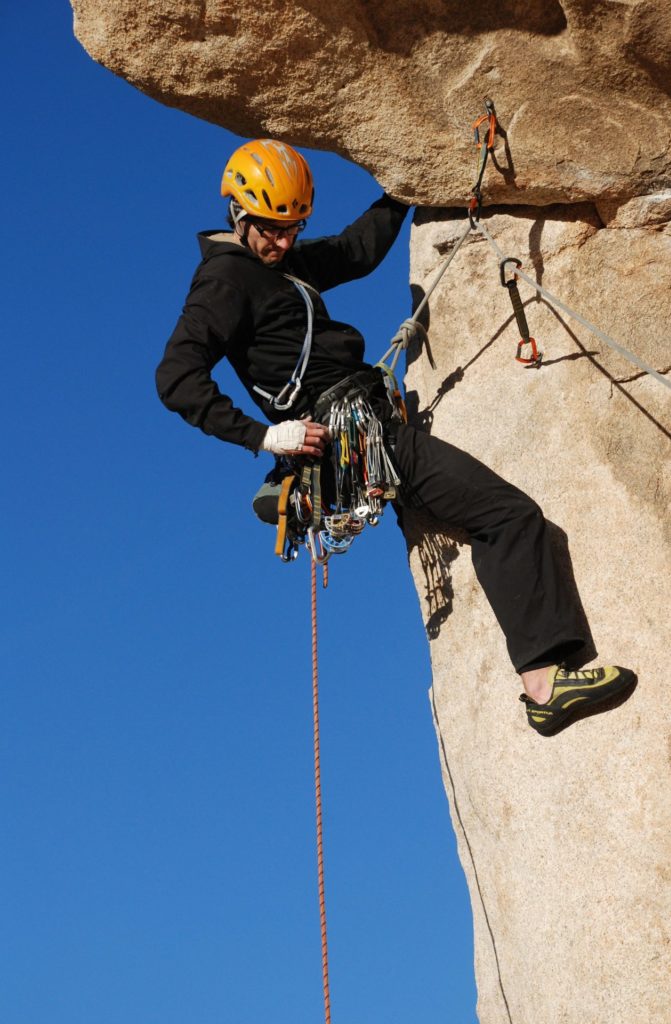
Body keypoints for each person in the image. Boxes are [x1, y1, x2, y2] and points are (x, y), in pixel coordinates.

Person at [156, 138, 635, 735]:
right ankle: (544, 684)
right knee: (508, 514)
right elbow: (176, 378)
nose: (284, 242)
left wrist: (405, 182)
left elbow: (356, 252)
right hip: (353, 437)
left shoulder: (279, 266)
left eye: (293, 228)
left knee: (505, 514)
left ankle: (546, 678)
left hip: (364, 429)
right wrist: (265, 436)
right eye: (271, 230)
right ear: (238, 215)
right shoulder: (226, 279)